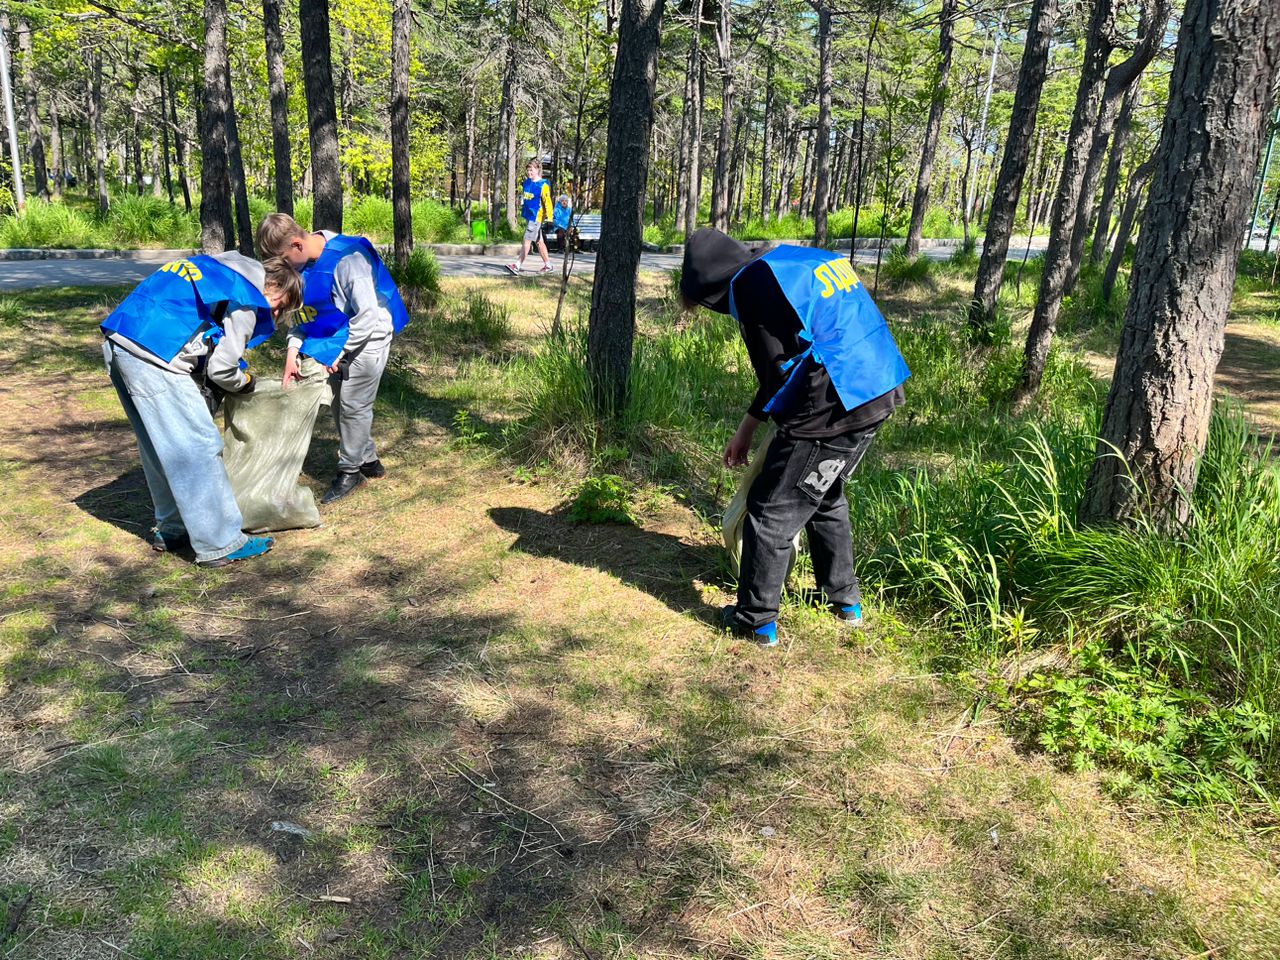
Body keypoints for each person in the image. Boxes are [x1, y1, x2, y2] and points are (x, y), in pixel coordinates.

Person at [680, 228, 910, 646]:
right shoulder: (787, 262)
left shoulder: (749, 286)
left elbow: (777, 372)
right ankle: (844, 601)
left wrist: (774, 437)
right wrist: (749, 427)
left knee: (771, 508)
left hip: (837, 396)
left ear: (710, 288)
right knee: (822, 492)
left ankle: (756, 620)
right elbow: (787, 365)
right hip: (879, 383)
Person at [100, 252, 302, 567]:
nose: (276, 311)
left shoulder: (220, 268)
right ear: (274, 285)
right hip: (156, 352)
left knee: (158, 445)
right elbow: (222, 369)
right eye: (282, 302)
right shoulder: (247, 293)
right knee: (199, 445)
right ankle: (220, 542)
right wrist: (245, 382)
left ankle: (173, 528)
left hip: (121, 338)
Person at [255, 213, 411, 504]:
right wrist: (292, 352)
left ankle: (350, 471)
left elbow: (367, 317)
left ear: (298, 245)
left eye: (285, 261)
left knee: (353, 404)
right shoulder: (302, 265)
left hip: (369, 335)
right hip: (335, 337)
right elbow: (301, 318)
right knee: (341, 404)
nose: (283, 271)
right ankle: (368, 460)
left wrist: (340, 352)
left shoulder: (348, 260)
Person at [506, 158, 554, 275]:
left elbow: (548, 202)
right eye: (528, 170)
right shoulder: (527, 183)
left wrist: (550, 218)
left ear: (537, 170)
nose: (529, 172)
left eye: (531, 170)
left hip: (536, 217)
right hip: (529, 216)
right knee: (539, 242)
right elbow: (525, 197)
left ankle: (517, 265)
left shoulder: (543, 185)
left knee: (527, 240)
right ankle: (548, 265)